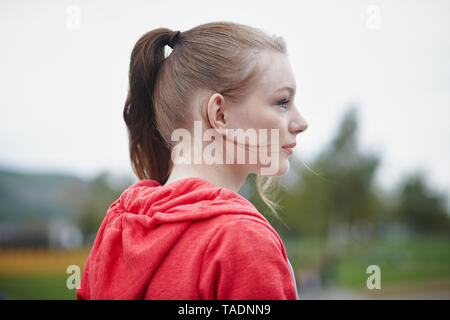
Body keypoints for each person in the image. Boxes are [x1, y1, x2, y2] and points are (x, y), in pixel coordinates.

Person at [76, 21, 308, 300]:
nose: (300, 123)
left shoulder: (117, 229)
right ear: (220, 115)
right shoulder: (242, 241)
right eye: (282, 102)